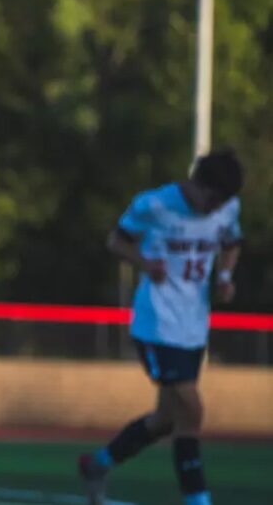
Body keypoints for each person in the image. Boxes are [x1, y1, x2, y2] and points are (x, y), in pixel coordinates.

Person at [78, 149, 244, 505]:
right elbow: (116, 241)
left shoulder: (227, 208)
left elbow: (231, 241)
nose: (215, 209)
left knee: (167, 419)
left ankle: (98, 464)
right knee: (193, 410)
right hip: (158, 323)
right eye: (212, 199)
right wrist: (144, 262)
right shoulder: (154, 205)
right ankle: (198, 499)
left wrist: (226, 276)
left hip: (194, 323)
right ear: (198, 185)